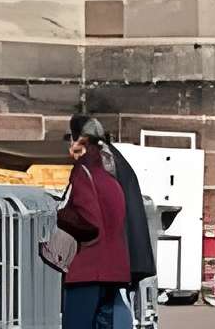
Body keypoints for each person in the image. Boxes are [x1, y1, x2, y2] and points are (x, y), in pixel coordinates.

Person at [68, 112, 165, 301]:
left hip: (112, 249)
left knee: (108, 303)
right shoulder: (110, 154)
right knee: (116, 302)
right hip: (123, 248)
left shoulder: (98, 160)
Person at [55, 122, 140, 329]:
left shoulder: (83, 173)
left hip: (87, 268)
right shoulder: (111, 179)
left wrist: (62, 216)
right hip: (113, 270)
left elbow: (90, 220)